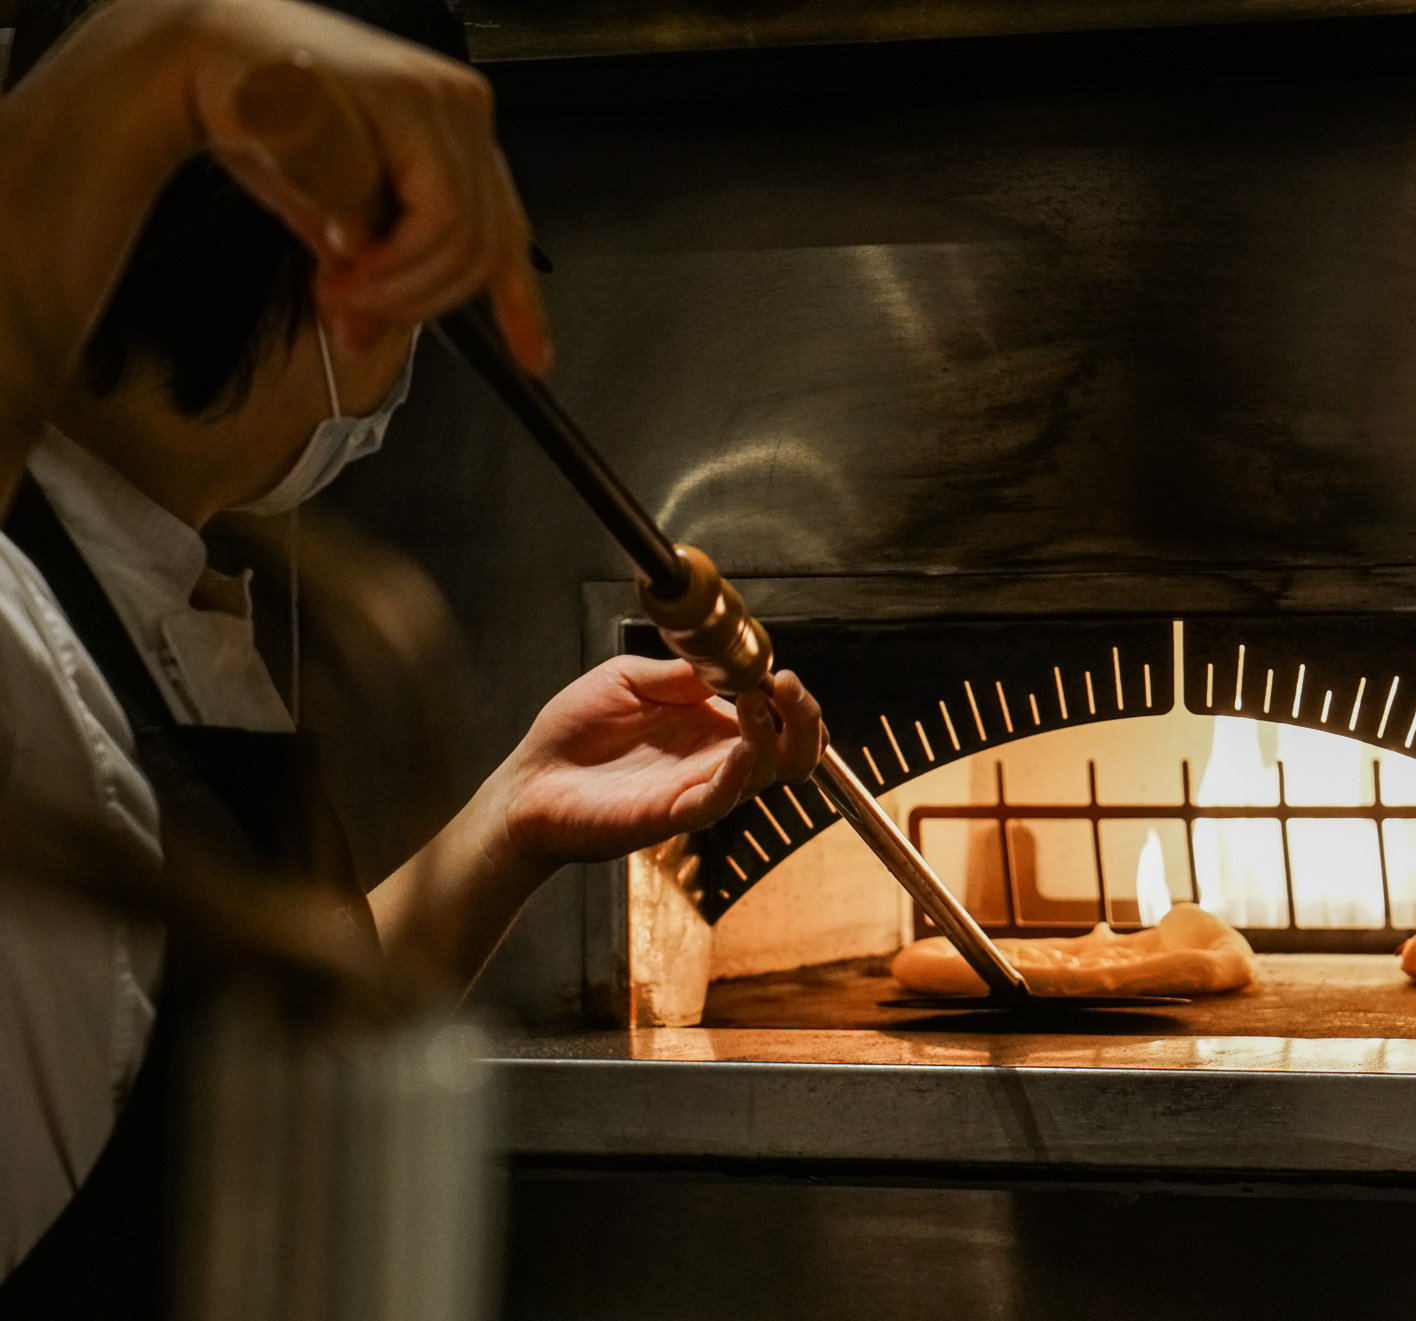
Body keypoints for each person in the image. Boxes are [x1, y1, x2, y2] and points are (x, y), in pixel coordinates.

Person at [0, 0, 824, 1307]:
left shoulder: (141, 581)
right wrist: (171, 56)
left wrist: (514, 822)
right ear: (340, 265)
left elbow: (234, 1055)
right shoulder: (19, 653)